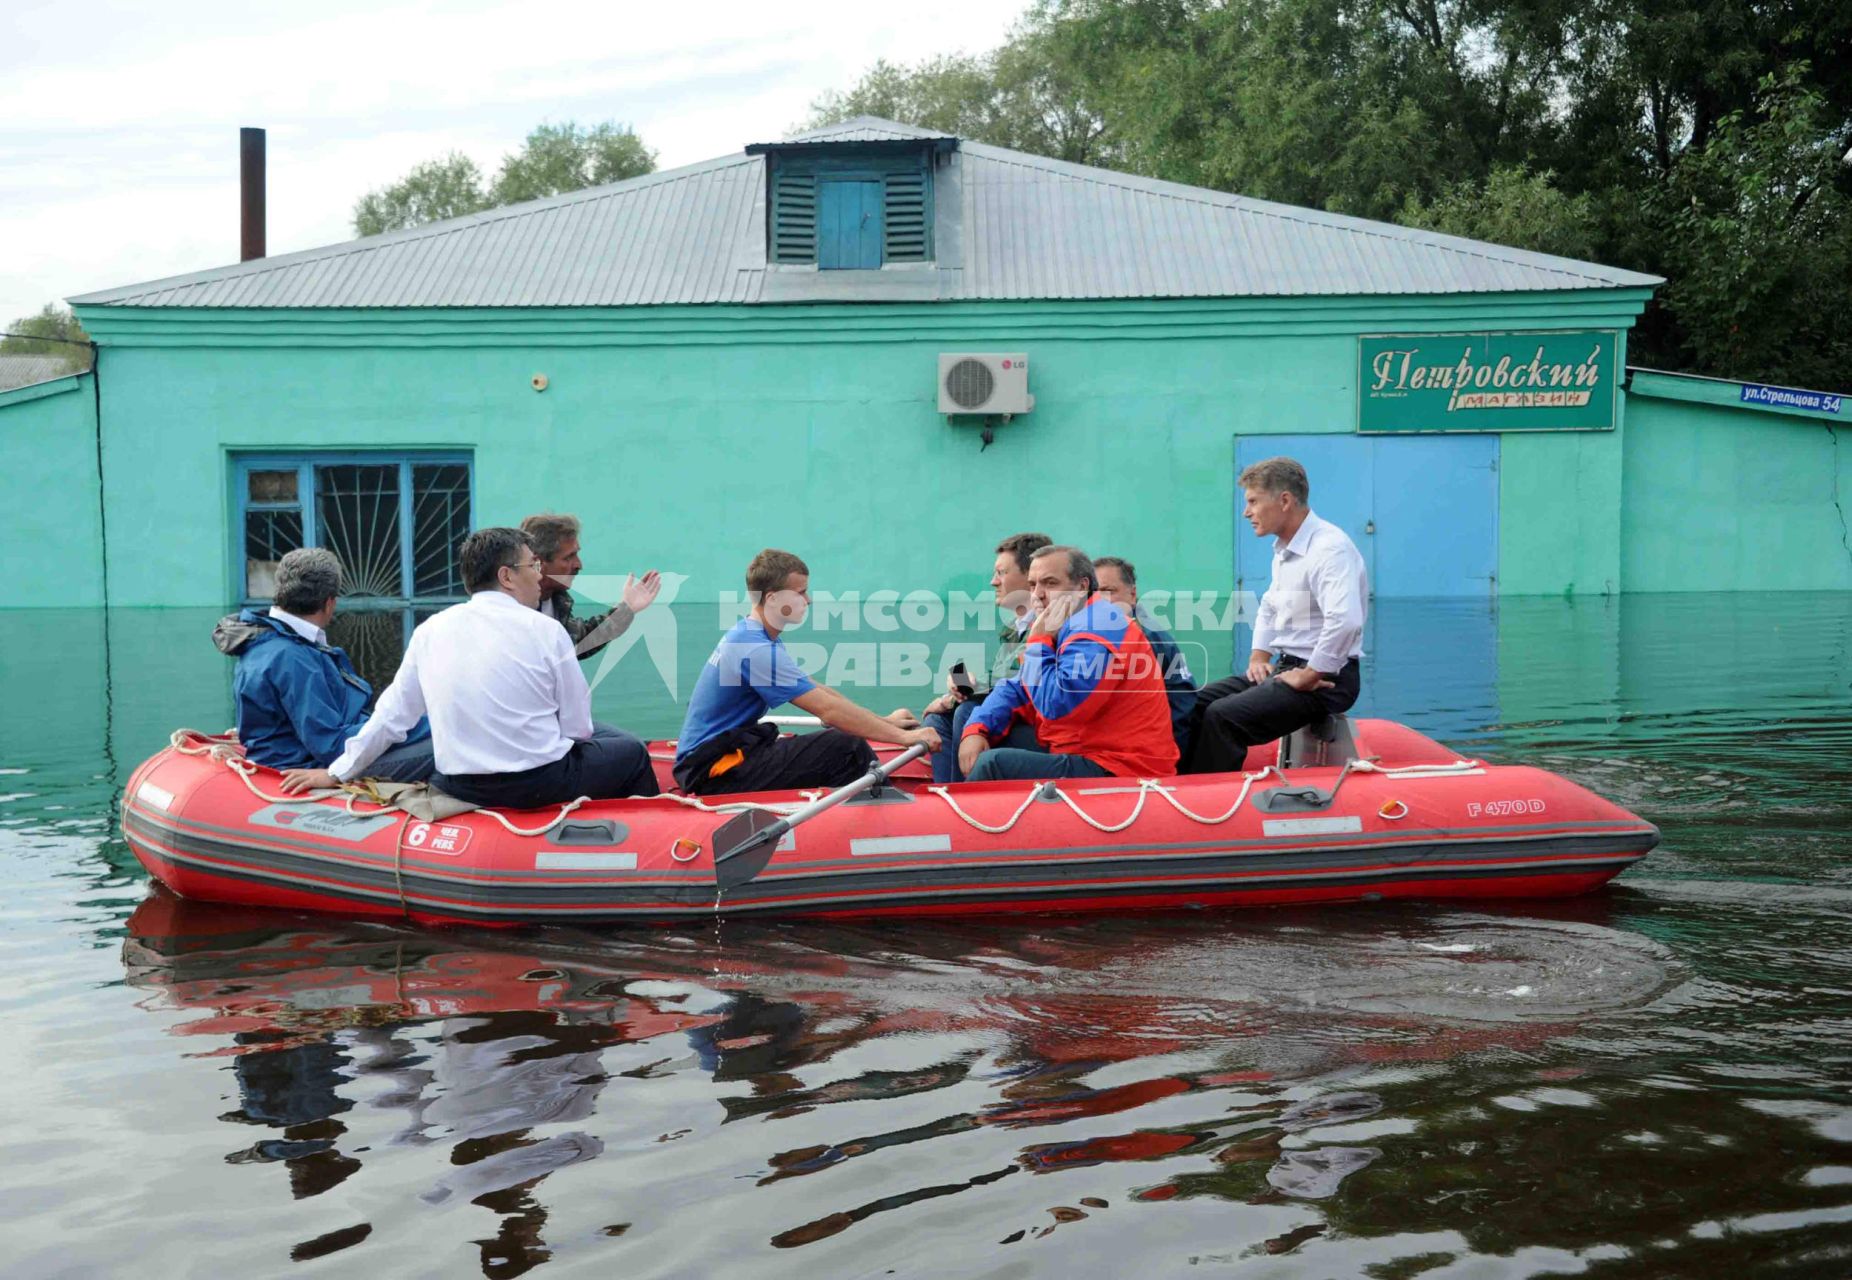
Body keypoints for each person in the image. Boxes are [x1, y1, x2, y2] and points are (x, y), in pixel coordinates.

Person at [279, 528, 659, 807]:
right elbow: (577, 728)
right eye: (532, 566)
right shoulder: (546, 630)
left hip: (458, 784)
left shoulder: (430, 631)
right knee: (630, 751)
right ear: (507, 576)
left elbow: (392, 716)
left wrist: (336, 772)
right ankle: (642, 838)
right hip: (536, 784)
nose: (539, 576)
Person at [674, 548, 940, 795]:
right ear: (772, 598)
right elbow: (828, 710)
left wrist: (884, 722)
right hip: (713, 769)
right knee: (847, 748)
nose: (808, 600)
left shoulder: (754, 635)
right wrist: (904, 736)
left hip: (722, 754)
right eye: (800, 593)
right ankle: (885, 824)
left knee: (841, 741)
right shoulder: (755, 650)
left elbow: (819, 692)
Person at [1182, 456, 1366, 775]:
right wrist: (1258, 657)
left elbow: (1346, 620)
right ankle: (1178, 784)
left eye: (1253, 501)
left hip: (1326, 679)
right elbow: (1269, 606)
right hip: (1286, 667)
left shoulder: (1329, 548)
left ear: (1284, 500)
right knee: (1193, 703)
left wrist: (1310, 674)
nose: (1246, 512)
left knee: (1223, 716)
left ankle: (1211, 804)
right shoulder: (1285, 548)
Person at [957, 545, 1178, 782]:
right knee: (966, 717)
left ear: (1082, 587)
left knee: (993, 764)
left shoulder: (1097, 627)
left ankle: (952, 815)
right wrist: (976, 729)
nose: (1038, 594)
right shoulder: (1064, 622)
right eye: (1033, 585)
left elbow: (1056, 705)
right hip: (1081, 747)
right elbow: (1017, 687)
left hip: (1121, 766)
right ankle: (942, 799)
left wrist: (1038, 641)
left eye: (1050, 583)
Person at [212, 547, 435, 781]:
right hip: (308, 765)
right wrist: (418, 723)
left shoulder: (265, 642)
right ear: (330, 603)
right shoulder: (293, 658)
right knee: (444, 739)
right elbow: (332, 745)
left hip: (305, 751)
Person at [919, 531, 1051, 783]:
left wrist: (955, 698)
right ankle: (948, 795)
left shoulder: (1047, 627)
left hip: (1044, 728)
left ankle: (968, 800)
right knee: (937, 720)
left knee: (967, 711)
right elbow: (1006, 682)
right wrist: (958, 684)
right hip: (1020, 717)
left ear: (1030, 576)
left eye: (1002, 573)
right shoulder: (1014, 629)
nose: (993, 582)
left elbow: (1022, 685)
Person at [1094, 556, 1198, 757]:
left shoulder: (1148, 639)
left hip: (1152, 754)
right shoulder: (1098, 633)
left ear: (1132, 594)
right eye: (1095, 593)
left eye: (1109, 591)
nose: (1101, 600)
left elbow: (1180, 706)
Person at [519, 512, 662, 659]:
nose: (579, 565)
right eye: (568, 557)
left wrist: (626, 609)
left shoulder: (556, 600)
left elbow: (578, 642)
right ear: (538, 563)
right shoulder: (510, 607)